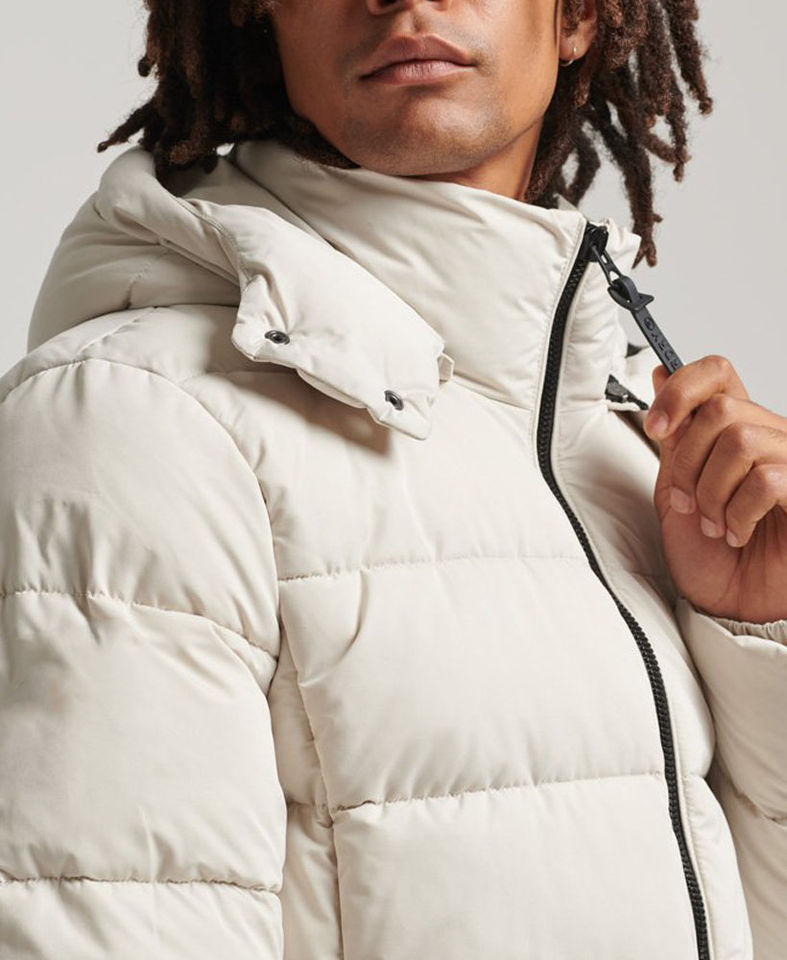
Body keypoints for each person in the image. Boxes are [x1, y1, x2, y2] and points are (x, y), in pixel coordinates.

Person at [1, 0, 785, 957]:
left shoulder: (635, 461)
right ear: (261, 20)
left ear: (577, 17)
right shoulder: (139, 418)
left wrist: (759, 639)